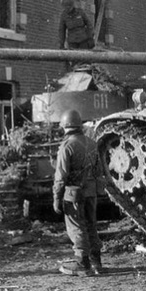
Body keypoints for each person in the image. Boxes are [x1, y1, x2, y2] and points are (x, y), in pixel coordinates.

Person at [52, 109, 102, 276]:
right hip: (91, 192)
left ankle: (82, 264)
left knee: (77, 227)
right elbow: (99, 171)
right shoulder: (92, 143)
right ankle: (96, 263)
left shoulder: (66, 146)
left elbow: (60, 177)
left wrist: (57, 198)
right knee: (91, 225)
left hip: (73, 194)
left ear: (65, 126)